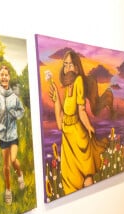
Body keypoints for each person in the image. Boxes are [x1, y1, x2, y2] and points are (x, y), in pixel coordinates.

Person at [48, 48, 110, 194]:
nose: (67, 67)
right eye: (65, 64)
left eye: (70, 64)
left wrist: (89, 126)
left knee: (87, 177)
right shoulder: (66, 87)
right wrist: (56, 99)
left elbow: (81, 110)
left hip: (78, 137)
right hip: (67, 141)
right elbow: (60, 123)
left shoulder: (79, 81)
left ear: (76, 67)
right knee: (71, 185)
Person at [0, 65, 26, 205]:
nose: (4, 77)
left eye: (6, 75)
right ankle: (8, 190)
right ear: (0, 77)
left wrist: (15, 114)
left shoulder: (14, 97)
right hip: (3, 136)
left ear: (9, 77)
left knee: (13, 159)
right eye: (1, 75)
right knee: (5, 166)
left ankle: (20, 175)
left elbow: (21, 110)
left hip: (13, 135)